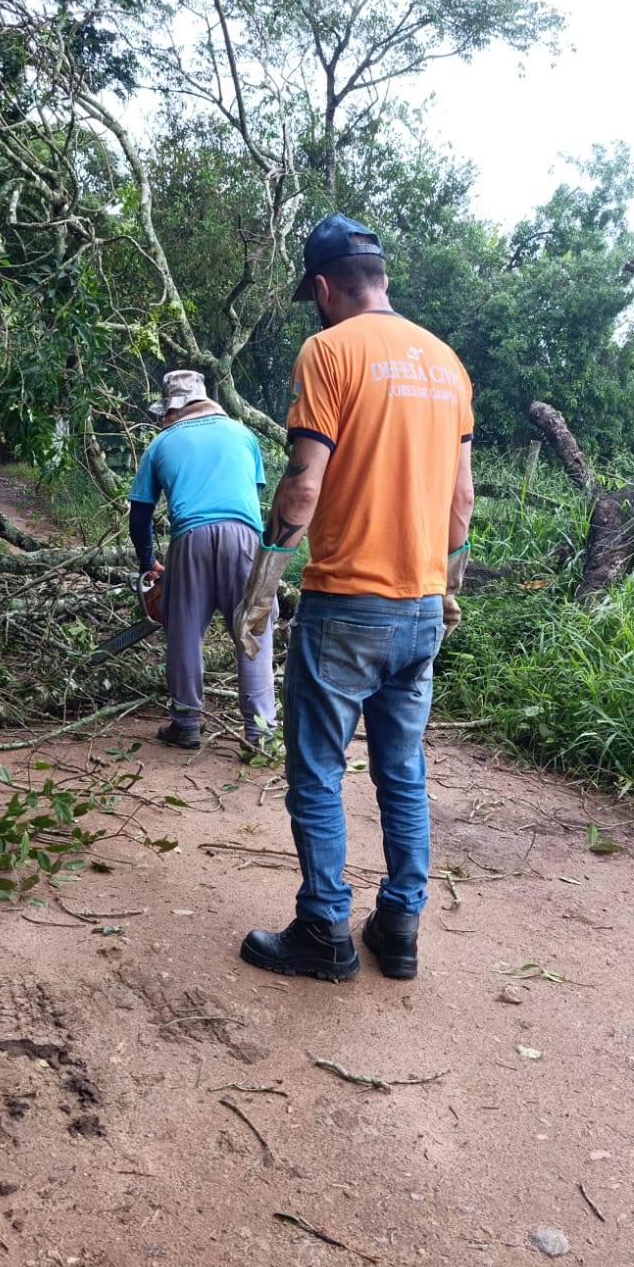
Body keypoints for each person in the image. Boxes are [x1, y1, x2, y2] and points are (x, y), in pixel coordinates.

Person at [233, 216, 474, 981]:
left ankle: (324, 931)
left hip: (346, 605)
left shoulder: (329, 350)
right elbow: (462, 500)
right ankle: (398, 928)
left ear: (324, 288)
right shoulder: (448, 364)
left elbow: (304, 485)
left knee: (316, 771)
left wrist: (263, 583)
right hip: (420, 607)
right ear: (384, 279)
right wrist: (447, 584)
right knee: (402, 772)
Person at [129, 369, 276, 750]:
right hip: (247, 539)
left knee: (184, 631)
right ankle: (260, 733)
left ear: (172, 409)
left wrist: (148, 562)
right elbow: (250, 493)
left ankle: (186, 722)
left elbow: (140, 516)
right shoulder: (244, 435)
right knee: (253, 629)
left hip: (190, 538)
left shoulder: (161, 444)